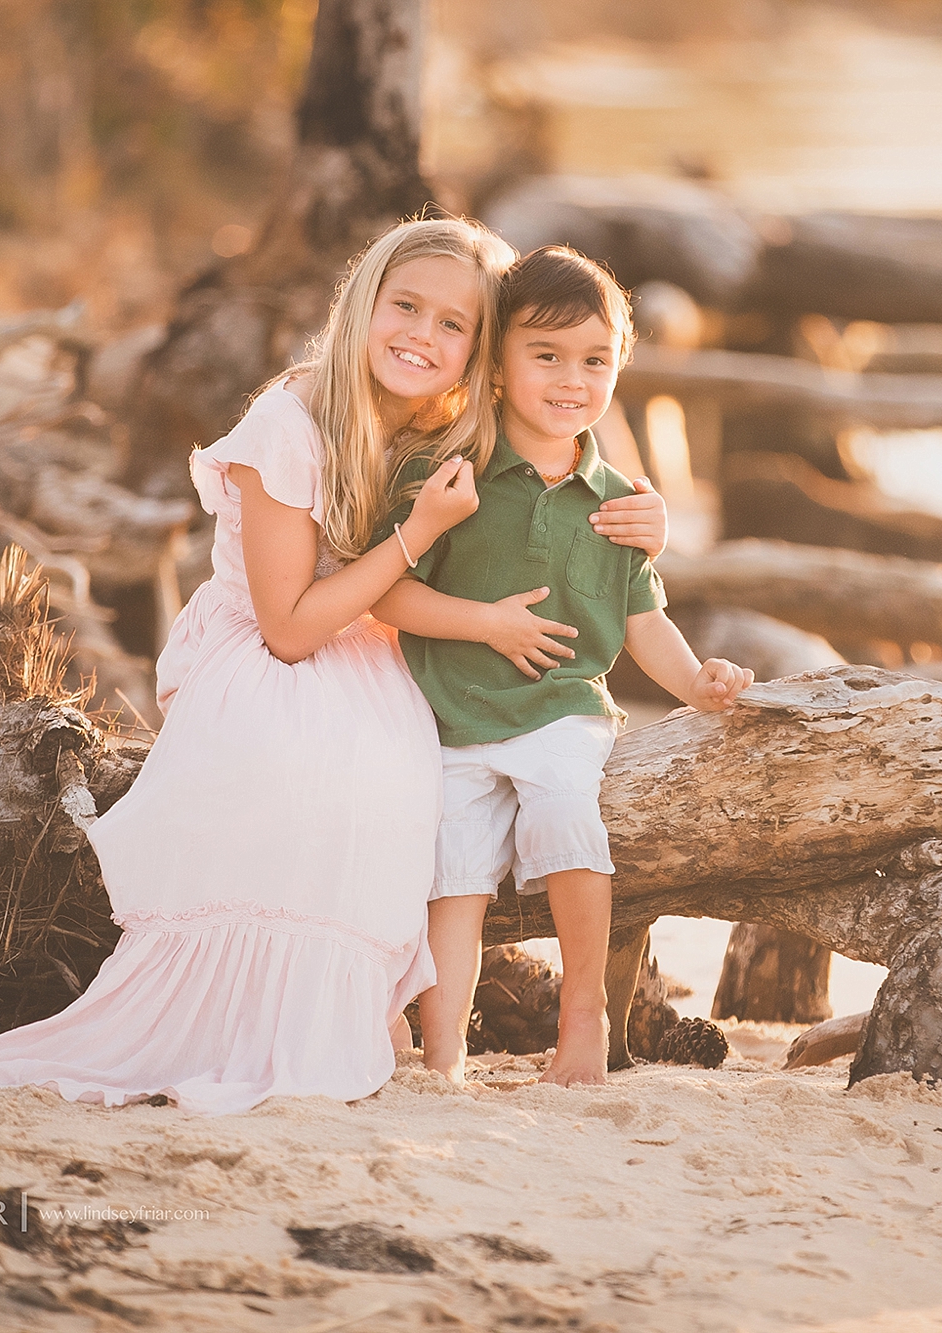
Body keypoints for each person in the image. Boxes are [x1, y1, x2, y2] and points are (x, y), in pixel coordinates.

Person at [0, 218, 666, 1114]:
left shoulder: (442, 421)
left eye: (454, 325)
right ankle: (291, 1017)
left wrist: (648, 527)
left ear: (481, 354)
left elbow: (556, 503)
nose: (423, 335)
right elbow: (288, 627)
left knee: (406, 782)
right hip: (270, 654)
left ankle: (371, 1010)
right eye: (405, 306)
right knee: (314, 776)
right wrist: (417, 536)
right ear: (363, 302)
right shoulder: (289, 422)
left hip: (370, 648)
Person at [375, 244, 754, 1087]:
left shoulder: (618, 500)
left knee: (566, 821)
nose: (571, 380)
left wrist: (695, 683)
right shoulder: (448, 472)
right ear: (499, 366)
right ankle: (443, 1054)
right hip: (453, 711)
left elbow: (640, 618)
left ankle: (583, 1019)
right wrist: (485, 630)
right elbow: (390, 595)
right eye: (546, 356)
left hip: (562, 711)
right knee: (453, 874)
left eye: (595, 361)